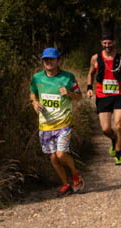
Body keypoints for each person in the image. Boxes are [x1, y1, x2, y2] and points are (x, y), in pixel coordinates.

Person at [29, 48, 84, 195]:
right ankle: (66, 185)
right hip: (45, 124)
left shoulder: (68, 77)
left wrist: (69, 94)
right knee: (53, 157)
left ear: (58, 60)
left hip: (64, 123)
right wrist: (34, 102)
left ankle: (75, 173)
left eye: (51, 59)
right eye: (45, 59)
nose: (48, 61)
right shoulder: (37, 77)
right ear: (43, 61)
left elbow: (80, 96)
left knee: (60, 154)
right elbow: (33, 92)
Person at [86, 31, 121, 164]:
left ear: (114, 42)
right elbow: (91, 73)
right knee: (105, 129)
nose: (107, 45)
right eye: (105, 43)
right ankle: (114, 139)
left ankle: (119, 154)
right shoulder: (95, 58)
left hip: (119, 95)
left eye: (110, 42)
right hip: (102, 96)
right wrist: (89, 88)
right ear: (101, 43)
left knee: (118, 125)